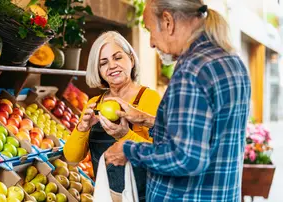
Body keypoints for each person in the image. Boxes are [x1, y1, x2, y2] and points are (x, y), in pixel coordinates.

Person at [104, 0, 252, 201]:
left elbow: (186, 158)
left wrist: (127, 149)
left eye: (150, 31)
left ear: (167, 21)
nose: (151, 43)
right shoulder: (232, 61)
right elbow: (204, 134)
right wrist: (146, 119)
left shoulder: (192, 70)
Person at [63, 31, 161, 201]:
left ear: (131, 59)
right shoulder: (95, 103)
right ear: (98, 70)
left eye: (118, 57)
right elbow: (72, 157)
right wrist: (82, 128)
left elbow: (161, 156)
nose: (112, 66)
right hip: (106, 196)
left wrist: (125, 136)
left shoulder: (149, 98)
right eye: (104, 63)